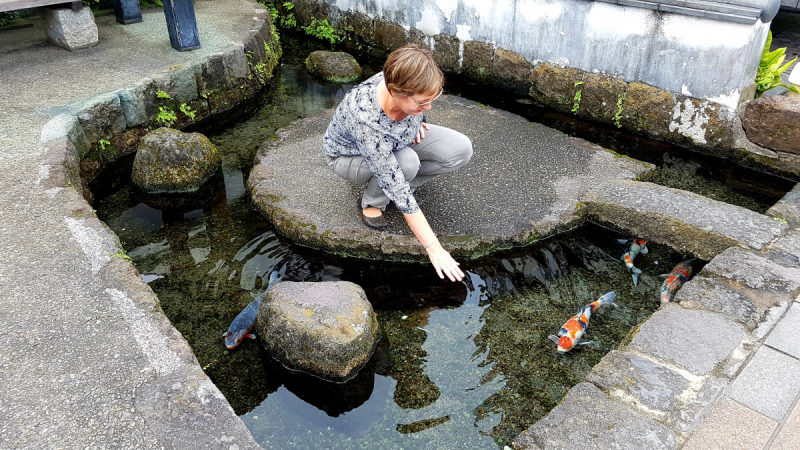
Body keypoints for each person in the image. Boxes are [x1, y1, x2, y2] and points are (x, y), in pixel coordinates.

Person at [323, 44, 473, 282]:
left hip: (398, 140)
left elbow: (420, 105)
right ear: (395, 92)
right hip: (348, 157)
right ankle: (372, 202)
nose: (430, 106)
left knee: (460, 149)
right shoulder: (365, 118)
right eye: (422, 102)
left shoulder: (403, 80)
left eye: (433, 99)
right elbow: (391, 173)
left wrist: (418, 116)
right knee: (406, 164)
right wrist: (434, 247)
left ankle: (401, 190)